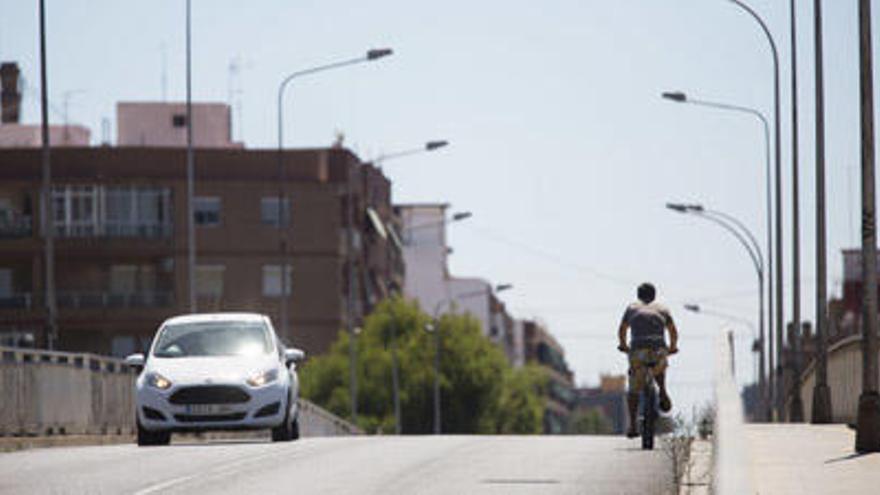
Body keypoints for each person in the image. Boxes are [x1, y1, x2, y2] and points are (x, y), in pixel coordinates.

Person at [617, 282, 678, 438]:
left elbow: (622, 329)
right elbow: (672, 331)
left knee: (633, 388)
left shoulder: (631, 308)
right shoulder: (663, 309)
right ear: (654, 295)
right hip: (658, 350)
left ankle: (632, 426)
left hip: (638, 351)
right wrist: (672, 347)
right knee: (660, 367)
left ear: (638, 295)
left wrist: (623, 346)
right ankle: (663, 391)